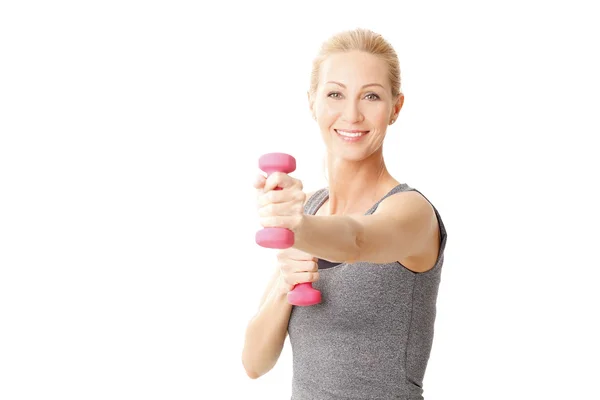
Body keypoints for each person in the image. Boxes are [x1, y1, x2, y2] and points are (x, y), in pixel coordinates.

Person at [242, 27, 448, 400]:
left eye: (371, 96)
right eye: (335, 94)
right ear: (312, 102)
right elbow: (254, 363)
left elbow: (357, 238)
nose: (351, 114)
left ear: (396, 108)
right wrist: (287, 282)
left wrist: (297, 227)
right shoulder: (310, 207)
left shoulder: (412, 211)